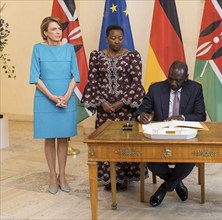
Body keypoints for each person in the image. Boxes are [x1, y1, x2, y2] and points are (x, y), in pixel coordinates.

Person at [81, 25, 147, 192]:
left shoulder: (132, 57)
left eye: (120, 38)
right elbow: (93, 80)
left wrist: (122, 102)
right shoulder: (97, 57)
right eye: (113, 38)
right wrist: (102, 102)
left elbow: (135, 81)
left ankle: (123, 177)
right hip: (105, 110)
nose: (117, 41)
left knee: (124, 143)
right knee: (106, 143)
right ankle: (110, 178)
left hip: (125, 109)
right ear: (106, 38)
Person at [135, 60, 206, 207]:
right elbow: (141, 110)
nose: (173, 83)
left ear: (186, 77)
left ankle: (164, 188)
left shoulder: (195, 89)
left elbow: (201, 115)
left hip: (185, 138)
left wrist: (182, 117)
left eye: (177, 80)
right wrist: (141, 116)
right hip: (160, 137)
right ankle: (177, 183)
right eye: (170, 78)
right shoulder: (156, 88)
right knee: (151, 160)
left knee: (189, 160)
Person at [29, 16, 80, 194]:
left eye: (59, 29)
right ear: (45, 32)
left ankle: (63, 176)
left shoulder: (69, 49)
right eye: (54, 29)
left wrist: (65, 97)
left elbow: (76, 76)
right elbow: (35, 77)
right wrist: (52, 97)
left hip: (66, 99)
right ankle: (52, 176)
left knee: (64, 138)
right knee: (49, 139)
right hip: (45, 99)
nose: (58, 32)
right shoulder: (38, 49)